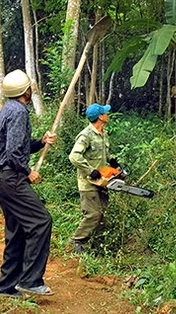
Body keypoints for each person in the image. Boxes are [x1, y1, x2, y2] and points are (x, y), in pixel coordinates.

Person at [0, 69, 56, 298]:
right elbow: (13, 152)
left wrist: (41, 142)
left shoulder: (9, 109)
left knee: (16, 231)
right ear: (26, 91)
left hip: (2, 178)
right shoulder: (18, 112)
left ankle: (6, 286)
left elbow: (18, 144)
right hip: (11, 177)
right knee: (41, 221)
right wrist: (28, 172)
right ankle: (30, 280)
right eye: (30, 86)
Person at [68, 102, 118, 254]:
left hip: (102, 181)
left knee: (103, 214)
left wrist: (112, 161)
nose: (106, 115)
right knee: (93, 214)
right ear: (100, 117)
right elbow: (74, 156)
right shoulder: (86, 135)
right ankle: (76, 241)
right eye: (104, 113)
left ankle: (98, 246)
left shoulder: (103, 134)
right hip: (88, 183)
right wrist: (90, 170)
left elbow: (103, 154)